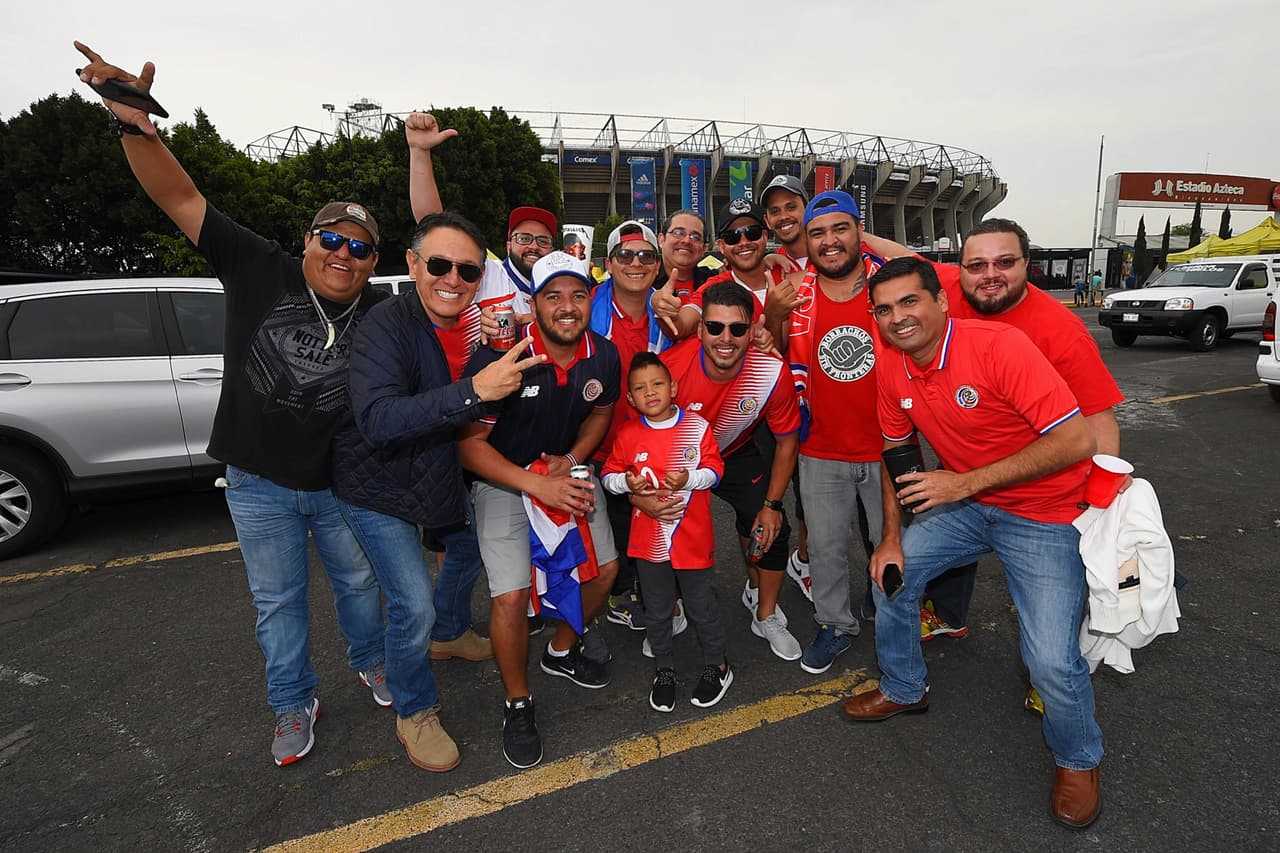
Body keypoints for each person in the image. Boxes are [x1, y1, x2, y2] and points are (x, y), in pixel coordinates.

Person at [73, 42, 395, 767]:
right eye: (332, 238)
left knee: (358, 582)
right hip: (257, 483)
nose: (344, 253)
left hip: (342, 483)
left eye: (362, 247)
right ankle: (291, 703)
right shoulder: (259, 266)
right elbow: (180, 198)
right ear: (307, 240)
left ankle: (373, 660)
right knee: (277, 602)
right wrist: (134, 125)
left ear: (375, 261)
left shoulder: (380, 312)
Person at [845, 256, 1103, 830]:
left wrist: (965, 482)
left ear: (940, 301)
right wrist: (890, 539)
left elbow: (1075, 439)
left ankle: (1079, 759)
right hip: (968, 504)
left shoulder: (998, 347)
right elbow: (896, 456)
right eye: (883, 310)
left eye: (909, 302)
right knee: (891, 577)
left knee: (1050, 660)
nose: (897, 318)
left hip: (1045, 512)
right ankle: (906, 688)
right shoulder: (890, 366)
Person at [331, 212, 544, 771]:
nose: (453, 279)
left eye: (467, 270)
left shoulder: (475, 327)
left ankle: (449, 634)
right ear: (413, 264)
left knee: (468, 549)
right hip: (376, 483)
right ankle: (414, 709)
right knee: (411, 603)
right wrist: (475, 389)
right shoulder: (385, 324)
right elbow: (378, 419)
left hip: (434, 474)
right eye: (441, 265)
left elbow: (477, 405)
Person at [458, 252, 622, 769]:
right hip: (504, 477)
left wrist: (572, 461)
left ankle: (560, 650)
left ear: (590, 299)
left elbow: (600, 412)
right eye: (553, 296)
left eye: (577, 295)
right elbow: (469, 446)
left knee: (607, 571)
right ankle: (517, 701)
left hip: (563, 469)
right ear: (534, 304)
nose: (567, 307)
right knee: (511, 596)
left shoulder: (605, 355)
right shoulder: (501, 357)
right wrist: (535, 484)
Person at [767, 191, 888, 674]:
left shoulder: (889, 285)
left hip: (888, 444)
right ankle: (835, 624)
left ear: (859, 232)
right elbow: (773, 354)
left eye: (841, 228)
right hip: (819, 447)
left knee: (893, 542)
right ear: (806, 240)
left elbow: (926, 271)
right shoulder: (795, 292)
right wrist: (774, 314)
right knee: (825, 547)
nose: (829, 240)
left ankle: (895, 615)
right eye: (818, 232)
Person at [657, 283, 803, 659]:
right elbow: (642, 434)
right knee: (658, 531)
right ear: (701, 328)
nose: (726, 339)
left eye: (737, 329)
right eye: (715, 327)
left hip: (736, 453)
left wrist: (772, 505)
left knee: (772, 527)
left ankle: (764, 612)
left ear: (752, 330)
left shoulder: (771, 371)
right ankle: (668, 609)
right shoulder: (671, 369)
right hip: (679, 461)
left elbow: (787, 442)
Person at [601, 353, 731, 711]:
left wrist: (690, 478)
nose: (651, 392)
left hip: (693, 540)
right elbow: (608, 476)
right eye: (640, 388)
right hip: (648, 544)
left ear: (673, 387)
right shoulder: (628, 434)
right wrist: (625, 483)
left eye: (657, 383)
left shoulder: (697, 427)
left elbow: (716, 471)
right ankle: (664, 669)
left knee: (702, 606)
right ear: (630, 399)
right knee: (657, 611)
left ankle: (717, 665)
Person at [584, 221, 678, 640]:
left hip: (656, 447)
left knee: (657, 524)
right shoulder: (585, 308)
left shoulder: (673, 314)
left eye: (646, 256)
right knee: (616, 531)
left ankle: (653, 589)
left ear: (658, 265)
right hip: (600, 448)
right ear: (608, 264)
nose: (636, 263)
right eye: (625, 255)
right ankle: (620, 595)